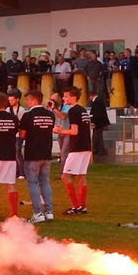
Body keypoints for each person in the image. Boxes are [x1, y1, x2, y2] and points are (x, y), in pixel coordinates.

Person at [18, 90, 56, 223]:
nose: (26, 102)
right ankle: (49, 212)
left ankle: (38, 213)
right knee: (45, 181)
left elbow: (22, 135)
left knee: (33, 183)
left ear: (34, 100)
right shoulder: (50, 114)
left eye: (28, 100)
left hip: (32, 153)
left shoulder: (27, 115)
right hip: (46, 152)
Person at [54, 87, 93, 215]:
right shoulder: (83, 110)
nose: (64, 99)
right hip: (86, 146)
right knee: (81, 176)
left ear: (73, 97)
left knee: (65, 176)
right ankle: (82, 206)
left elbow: (74, 131)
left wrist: (60, 131)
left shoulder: (73, 111)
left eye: (65, 96)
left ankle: (75, 206)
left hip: (77, 148)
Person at [89, 88, 111, 156]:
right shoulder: (98, 100)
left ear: (91, 96)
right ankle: (100, 150)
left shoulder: (97, 101)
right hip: (100, 122)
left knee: (97, 136)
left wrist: (94, 122)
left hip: (98, 122)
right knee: (99, 136)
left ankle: (97, 150)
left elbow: (97, 113)